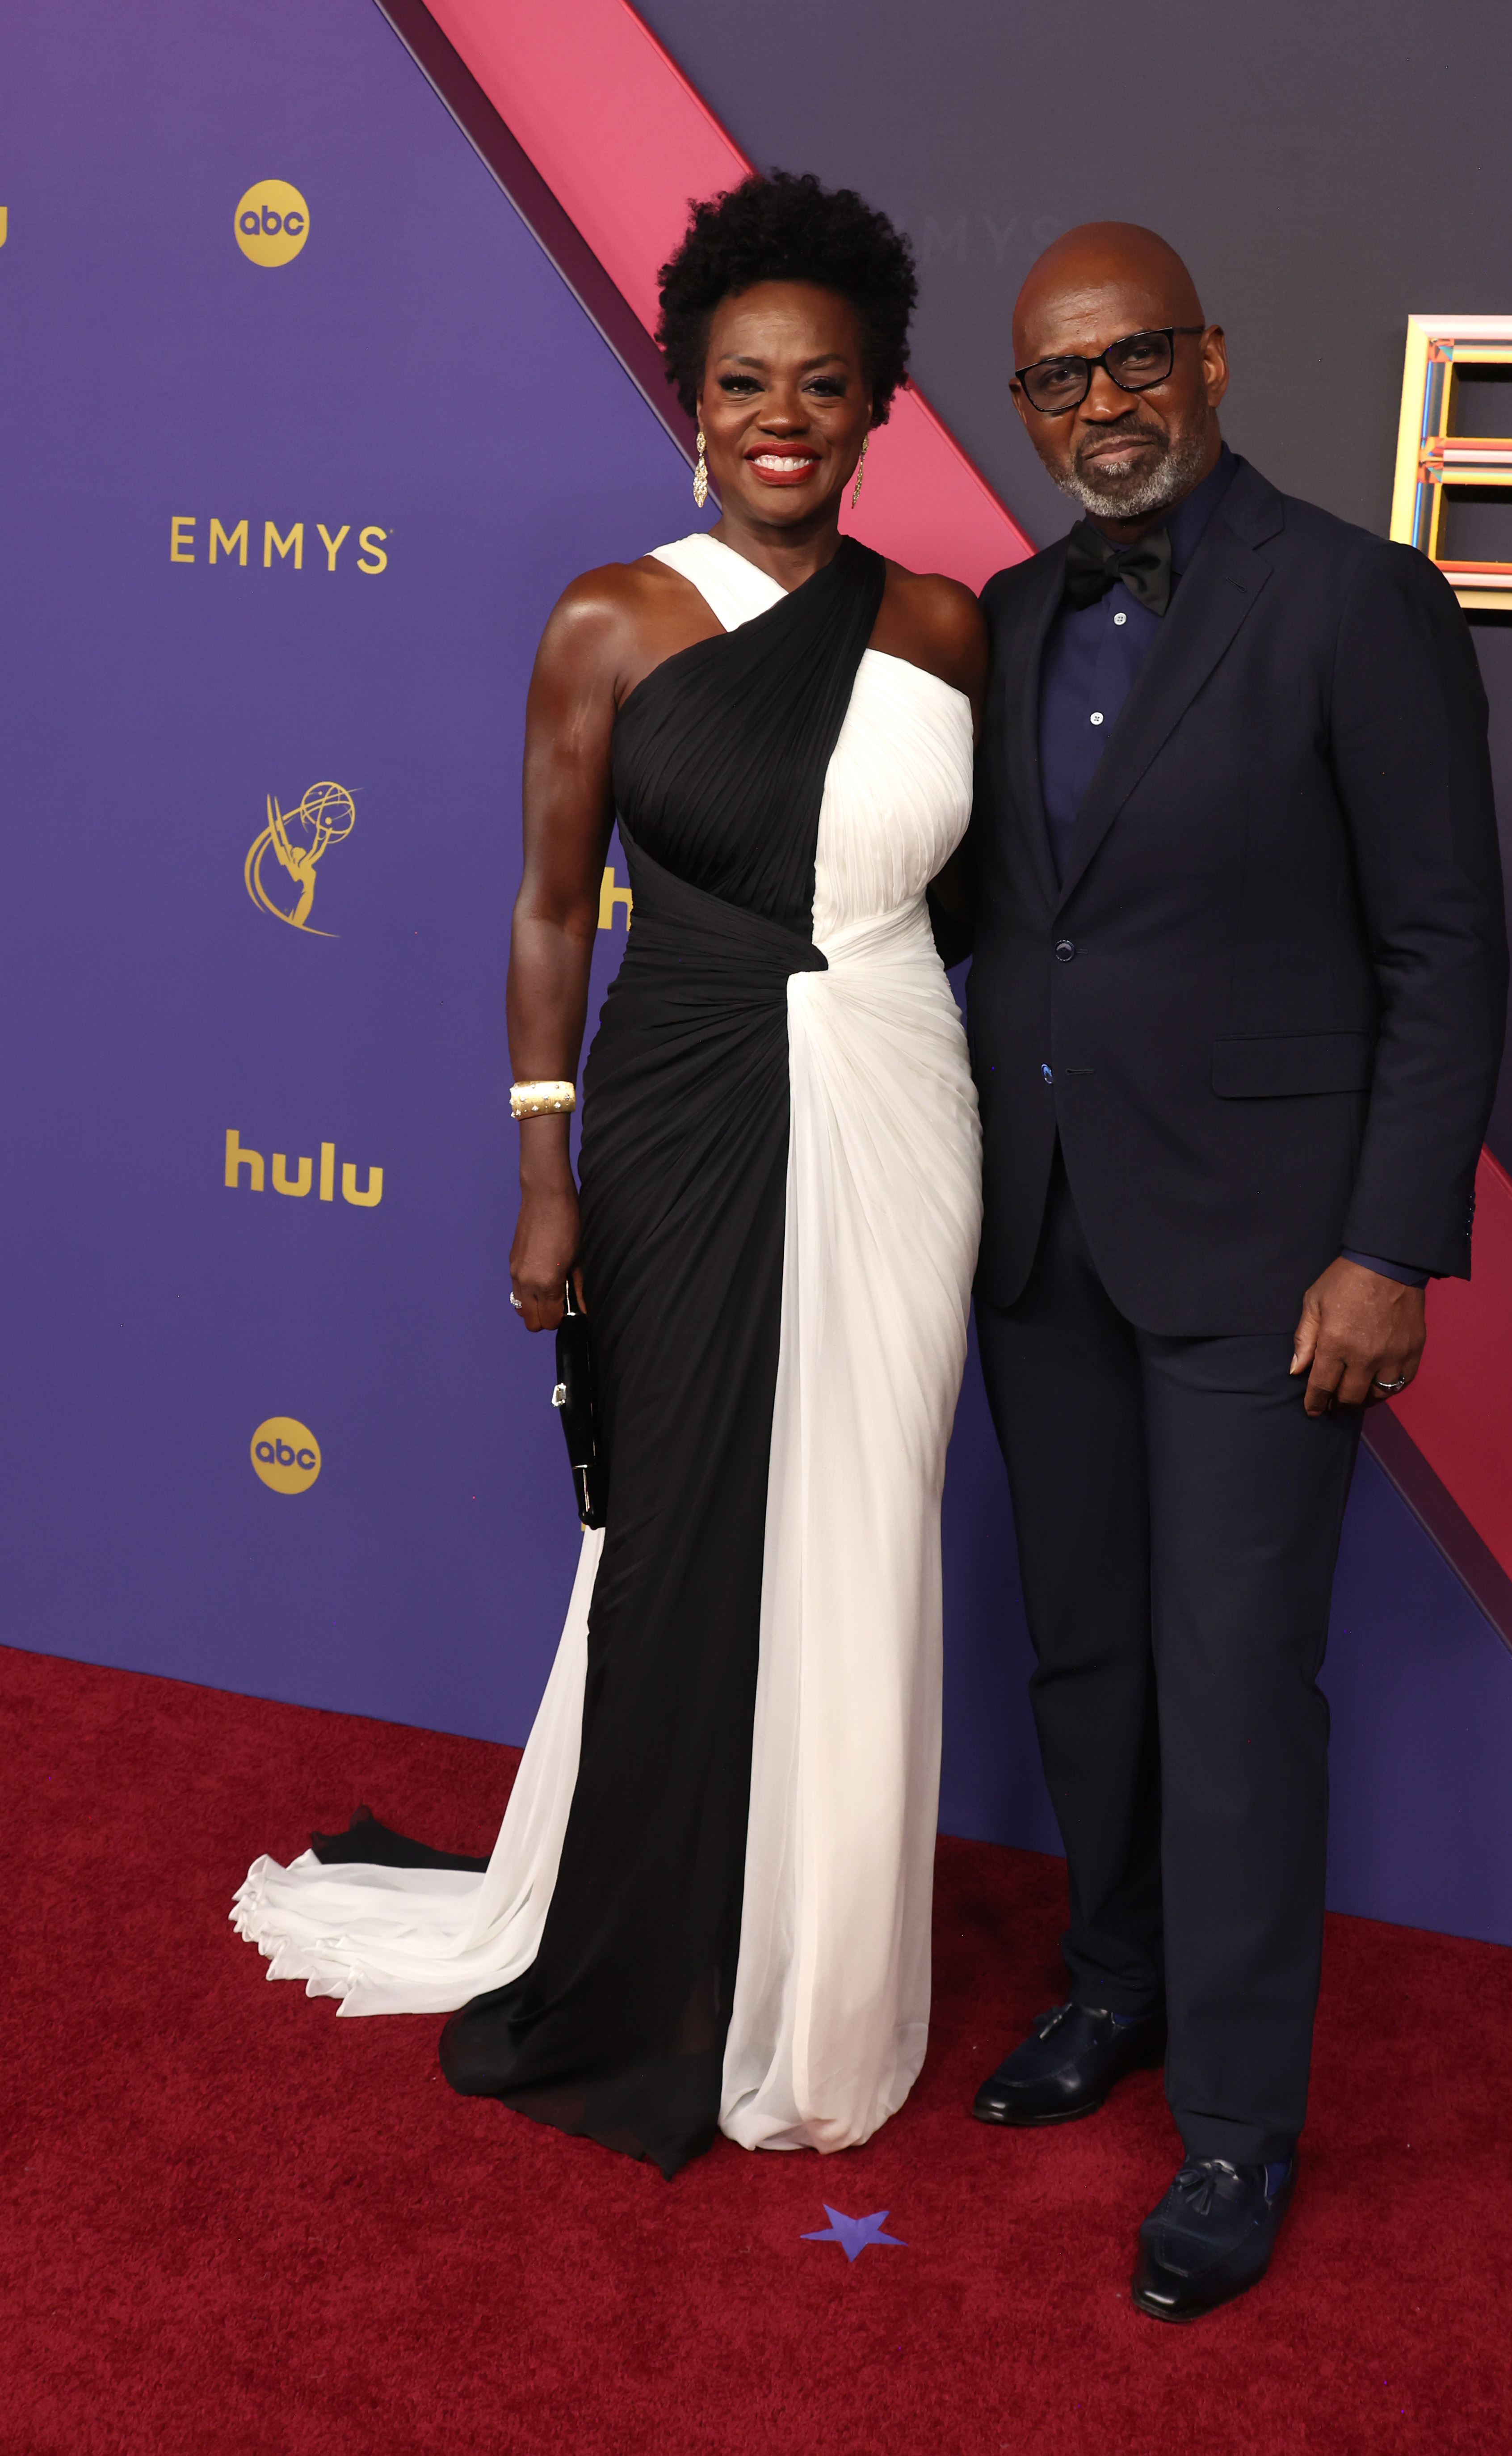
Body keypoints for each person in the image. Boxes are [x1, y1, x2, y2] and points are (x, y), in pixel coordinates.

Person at [232, 172, 987, 2179]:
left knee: (868, 1527)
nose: (784, 417)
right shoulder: (614, 615)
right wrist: (543, 1168)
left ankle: (822, 1975)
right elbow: (553, 911)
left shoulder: (943, 628)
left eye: (826, 384)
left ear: (880, 401)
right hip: (673, 1109)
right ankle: (656, 1951)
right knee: (677, 1532)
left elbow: (964, 903)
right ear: (689, 393)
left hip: (906, 1103)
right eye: (746, 379)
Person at [960, 224, 1508, 2317]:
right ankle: (1117, 1992)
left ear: (1207, 359)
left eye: (1133, 361)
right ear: (1021, 409)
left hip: (1273, 1263)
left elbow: (1444, 944)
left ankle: (1237, 2126)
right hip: (1041, 1239)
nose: (1099, 405)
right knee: (1086, 1659)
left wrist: (1389, 1246)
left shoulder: (1354, 597)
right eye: (1055, 379)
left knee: (1233, 1685)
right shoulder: (1002, 617)